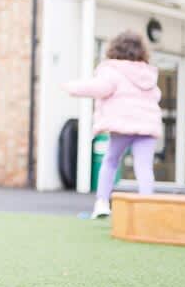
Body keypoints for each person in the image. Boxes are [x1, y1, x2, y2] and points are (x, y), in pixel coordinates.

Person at [63, 31, 162, 219]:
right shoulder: (147, 73)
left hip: (122, 125)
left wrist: (71, 87)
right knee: (144, 167)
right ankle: (147, 205)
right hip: (147, 127)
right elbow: (157, 96)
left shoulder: (112, 70)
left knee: (110, 161)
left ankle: (102, 203)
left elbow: (100, 88)